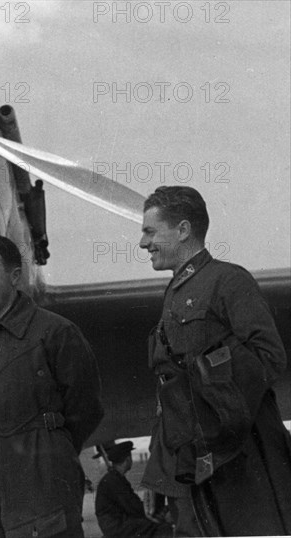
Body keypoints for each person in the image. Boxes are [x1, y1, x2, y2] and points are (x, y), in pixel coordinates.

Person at [139, 186, 291, 536]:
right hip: (196, 454)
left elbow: (269, 355)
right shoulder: (176, 292)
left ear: (182, 230)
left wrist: (216, 406)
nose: (143, 243)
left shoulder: (228, 280)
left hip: (242, 453)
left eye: (150, 231)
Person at [0, 234, 103, 537]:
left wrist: (47, 448)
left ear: (15, 276)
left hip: (42, 477)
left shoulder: (57, 333)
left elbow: (86, 408)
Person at [94, 441, 174, 538]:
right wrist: (162, 514)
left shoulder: (114, 478)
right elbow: (133, 507)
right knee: (162, 527)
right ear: (128, 459)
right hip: (115, 525)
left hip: (115, 522)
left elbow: (132, 505)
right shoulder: (114, 480)